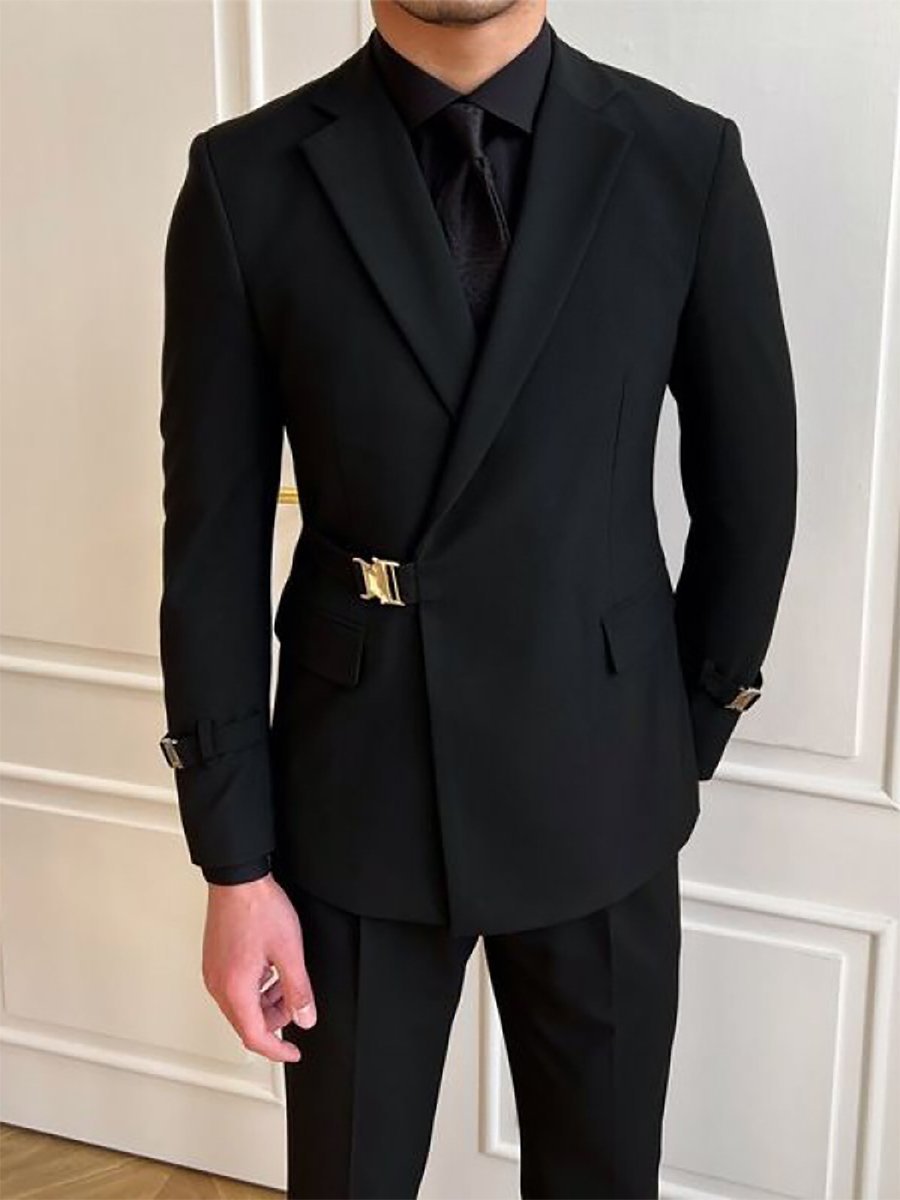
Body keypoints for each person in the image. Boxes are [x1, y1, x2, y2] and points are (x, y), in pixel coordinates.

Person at [157, 1, 798, 1196]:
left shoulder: (682, 159)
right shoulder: (246, 178)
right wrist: (234, 863)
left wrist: (679, 736)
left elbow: (751, 492)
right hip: (355, 792)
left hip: (603, 779)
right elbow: (210, 550)